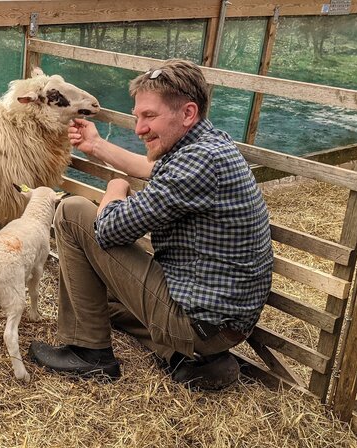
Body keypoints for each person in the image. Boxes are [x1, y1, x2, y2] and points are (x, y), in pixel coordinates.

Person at [28, 59, 273, 390]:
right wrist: (96, 146)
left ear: (187, 113)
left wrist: (115, 188)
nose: (139, 128)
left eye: (149, 116)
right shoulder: (207, 145)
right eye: (137, 115)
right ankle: (187, 359)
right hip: (220, 322)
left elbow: (109, 229)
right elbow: (150, 169)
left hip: (202, 322)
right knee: (105, 303)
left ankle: (89, 352)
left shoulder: (198, 164)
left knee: (72, 212)